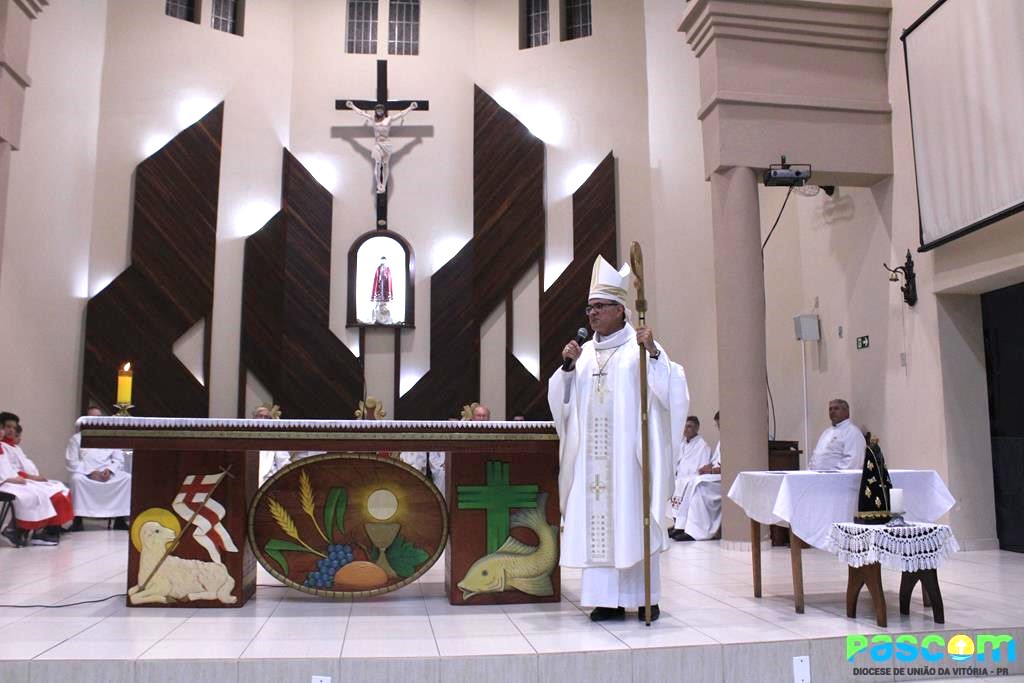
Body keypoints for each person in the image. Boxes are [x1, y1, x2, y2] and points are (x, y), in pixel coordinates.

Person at [549, 256, 688, 622]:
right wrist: (565, 369)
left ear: (620, 310)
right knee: (600, 530)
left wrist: (654, 354)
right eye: (589, 308)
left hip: (629, 461)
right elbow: (562, 403)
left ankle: (646, 598)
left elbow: (670, 390)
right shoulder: (583, 354)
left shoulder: (639, 348)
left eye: (599, 307)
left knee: (632, 524)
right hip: (592, 462)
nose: (591, 314)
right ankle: (605, 601)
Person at [0, 412, 73, 546]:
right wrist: (23, 478)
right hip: (10, 482)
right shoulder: (3, 446)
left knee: (59, 489)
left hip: (16, 479)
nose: (10, 430)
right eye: (7, 427)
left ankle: (47, 529)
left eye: (13, 428)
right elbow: (10, 470)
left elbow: (11, 468)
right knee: (40, 494)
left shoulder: (14, 447)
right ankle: (25, 530)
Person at [66, 406, 131, 531]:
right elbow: (71, 461)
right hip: (86, 474)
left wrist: (110, 470)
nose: (96, 420)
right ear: (86, 420)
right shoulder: (76, 439)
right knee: (76, 479)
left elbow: (118, 459)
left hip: (107, 474)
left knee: (127, 478)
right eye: (92, 418)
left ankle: (120, 519)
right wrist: (90, 472)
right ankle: (78, 519)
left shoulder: (110, 437)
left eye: (98, 418)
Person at [344, 100, 419, 193]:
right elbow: (361, 113)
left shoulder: (389, 119)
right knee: (378, 163)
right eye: (378, 109)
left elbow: (400, 114)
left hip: (386, 144)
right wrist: (352, 106)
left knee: (385, 164)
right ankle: (379, 184)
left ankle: (383, 185)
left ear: (383, 111)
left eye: (381, 109)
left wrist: (410, 107)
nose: (379, 111)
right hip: (377, 144)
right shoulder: (372, 119)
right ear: (375, 111)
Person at [670, 413, 722, 541]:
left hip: (718, 477)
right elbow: (715, 461)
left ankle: (696, 530)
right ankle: (679, 525)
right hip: (706, 475)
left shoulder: (702, 446)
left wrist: (710, 469)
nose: (686, 429)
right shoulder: (683, 444)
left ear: (697, 428)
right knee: (678, 483)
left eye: (689, 427)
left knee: (696, 486)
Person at [808, 399, 866, 470]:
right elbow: (816, 456)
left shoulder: (852, 432)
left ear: (846, 412)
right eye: (830, 409)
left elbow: (853, 461)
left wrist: (832, 475)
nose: (832, 412)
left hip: (836, 478)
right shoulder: (826, 432)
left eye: (836, 408)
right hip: (816, 477)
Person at [252, 404, 292, 483]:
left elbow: (283, 461)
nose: (263, 419)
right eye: (260, 416)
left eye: (266, 417)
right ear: (254, 418)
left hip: (268, 481)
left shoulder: (275, 440)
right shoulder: (246, 438)